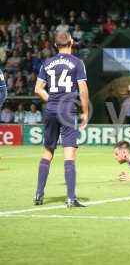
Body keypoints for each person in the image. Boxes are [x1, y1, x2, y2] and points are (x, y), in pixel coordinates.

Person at [33, 31, 89, 207]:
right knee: (69, 153)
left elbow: (38, 89)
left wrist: (52, 100)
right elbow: (83, 89)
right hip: (67, 111)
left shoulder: (47, 63)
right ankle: (71, 198)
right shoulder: (77, 63)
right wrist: (85, 111)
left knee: (48, 151)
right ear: (71, 42)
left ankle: (38, 194)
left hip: (50, 111)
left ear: (55, 45)